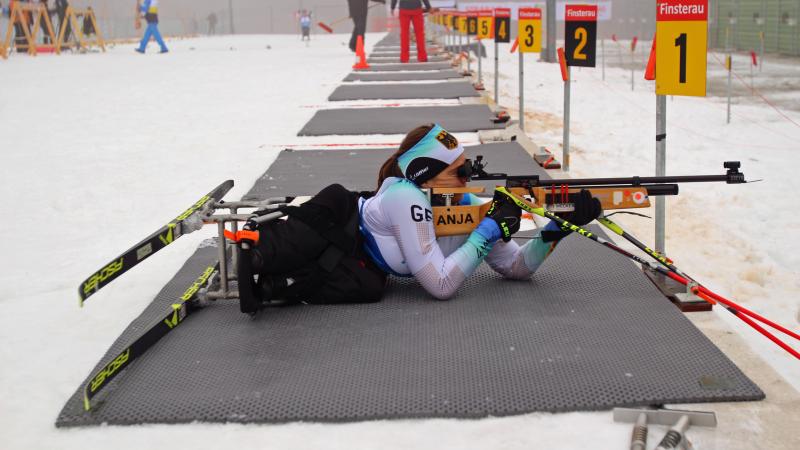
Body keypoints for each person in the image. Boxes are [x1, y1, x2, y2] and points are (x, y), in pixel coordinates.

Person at [358, 124, 602, 300]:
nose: (467, 179)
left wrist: (557, 228)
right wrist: (488, 230)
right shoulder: (403, 196)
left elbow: (515, 266)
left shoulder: (463, 201)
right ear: (426, 179)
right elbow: (440, 285)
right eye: (458, 172)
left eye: (467, 168)